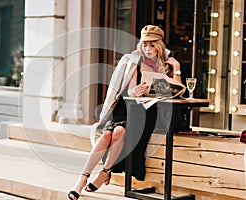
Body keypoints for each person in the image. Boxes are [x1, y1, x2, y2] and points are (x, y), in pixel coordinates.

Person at [68, 25, 181, 200]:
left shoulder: (165, 65)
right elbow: (130, 91)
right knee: (106, 135)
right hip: (126, 106)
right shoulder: (134, 61)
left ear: (159, 46)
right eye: (145, 44)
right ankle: (82, 180)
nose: (147, 49)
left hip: (147, 110)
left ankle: (105, 171)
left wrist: (177, 67)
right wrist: (136, 91)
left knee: (119, 132)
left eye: (152, 45)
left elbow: (175, 91)